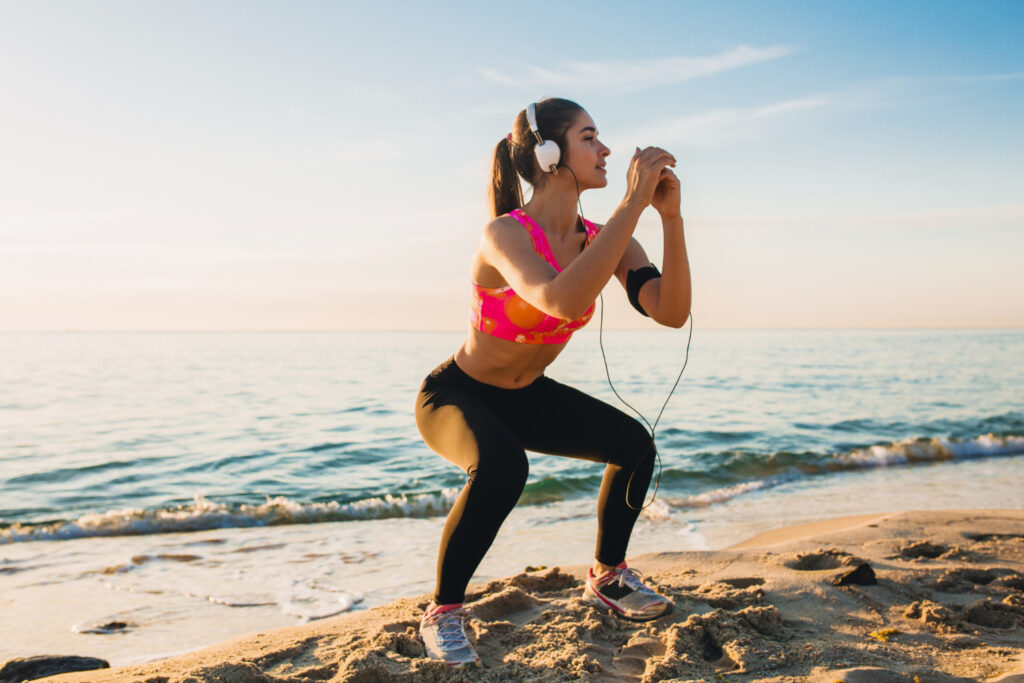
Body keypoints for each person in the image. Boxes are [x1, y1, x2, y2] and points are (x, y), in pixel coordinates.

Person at [414, 97, 692, 667]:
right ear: (548, 154)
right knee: (503, 466)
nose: (607, 149)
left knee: (635, 446)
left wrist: (668, 218)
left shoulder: (602, 237)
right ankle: (442, 613)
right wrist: (633, 203)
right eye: (590, 137)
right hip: (457, 394)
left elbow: (670, 311)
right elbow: (559, 299)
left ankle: (608, 577)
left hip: (527, 395)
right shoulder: (505, 235)